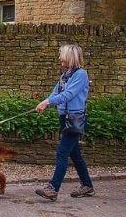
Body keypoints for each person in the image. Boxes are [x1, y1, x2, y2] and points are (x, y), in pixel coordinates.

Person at [34, 44, 94, 201]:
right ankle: (87, 186)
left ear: (70, 57)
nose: (60, 58)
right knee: (75, 154)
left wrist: (47, 102)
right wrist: (45, 102)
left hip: (75, 119)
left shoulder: (80, 74)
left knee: (62, 152)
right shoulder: (65, 75)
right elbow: (56, 92)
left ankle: (53, 188)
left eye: (62, 55)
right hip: (64, 118)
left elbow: (68, 94)